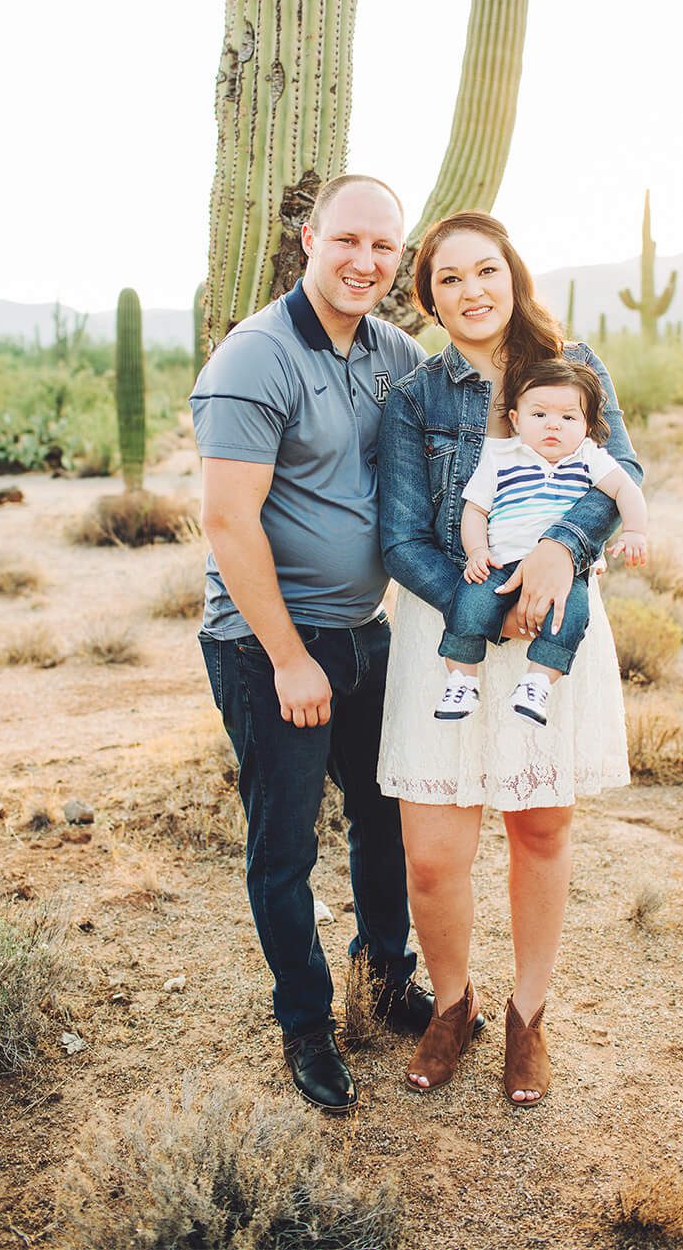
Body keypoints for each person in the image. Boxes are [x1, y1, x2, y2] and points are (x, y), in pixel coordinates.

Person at [191, 174, 463, 1115]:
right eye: (348, 241)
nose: (365, 262)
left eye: (384, 249)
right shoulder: (253, 358)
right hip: (272, 643)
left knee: (385, 816)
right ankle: (306, 1022)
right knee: (285, 843)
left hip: (366, 634)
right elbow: (229, 523)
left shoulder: (393, 350)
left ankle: (383, 979)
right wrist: (288, 656)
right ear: (309, 236)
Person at [376, 210, 642, 1107]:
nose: (472, 291)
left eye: (485, 270)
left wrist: (562, 548)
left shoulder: (575, 364)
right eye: (449, 279)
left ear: (513, 274)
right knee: (434, 853)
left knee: (539, 826)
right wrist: (479, 608)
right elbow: (402, 535)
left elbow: (622, 474)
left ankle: (529, 1016)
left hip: (554, 622)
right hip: (450, 630)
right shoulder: (415, 396)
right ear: (429, 298)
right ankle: (453, 1004)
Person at [433, 359, 651, 726]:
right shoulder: (501, 458)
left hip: (564, 573)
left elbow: (625, 489)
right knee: (467, 606)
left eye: (569, 418)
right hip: (500, 563)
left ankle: (538, 682)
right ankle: (462, 679)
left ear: (586, 427)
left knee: (571, 616)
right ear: (516, 420)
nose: (553, 424)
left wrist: (635, 532)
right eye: (539, 415)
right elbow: (474, 510)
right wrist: (477, 552)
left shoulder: (588, 459)